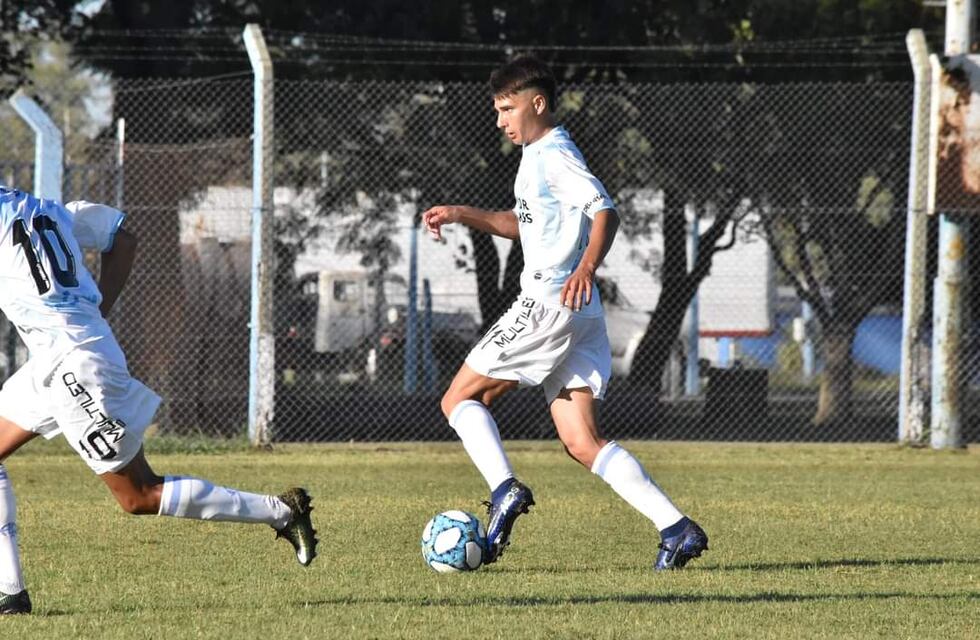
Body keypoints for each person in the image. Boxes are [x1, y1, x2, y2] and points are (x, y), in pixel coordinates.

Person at [421, 56, 708, 571]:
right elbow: (522, 225)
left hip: (551, 302)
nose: (501, 120)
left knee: (459, 398)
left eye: (507, 109)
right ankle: (677, 528)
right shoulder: (535, 156)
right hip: (580, 314)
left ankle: (505, 489)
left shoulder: (554, 152)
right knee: (582, 441)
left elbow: (605, 210)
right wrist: (463, 213)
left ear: (537, 103)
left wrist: (586, 266)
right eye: (496, 110)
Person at [0, 186, 317, 615]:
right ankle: (11, 594)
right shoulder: (45, 208)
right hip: (67, 353)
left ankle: (282, 511)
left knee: (139, 495)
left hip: (74, 368)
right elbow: (123, 237)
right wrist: (98, 311)